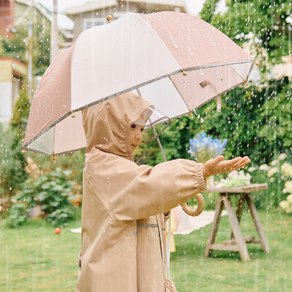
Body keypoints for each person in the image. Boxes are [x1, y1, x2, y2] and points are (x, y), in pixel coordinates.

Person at [75, 92, 250, 292]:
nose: (139, 135)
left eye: (142, 128)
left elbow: (138, 207)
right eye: (132, 126)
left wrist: (169, 201)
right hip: (114, 280)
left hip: (129, 273)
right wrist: (199, 172)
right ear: (107, 124)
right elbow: (146, 186)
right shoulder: (102, 166)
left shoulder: (119, 167)